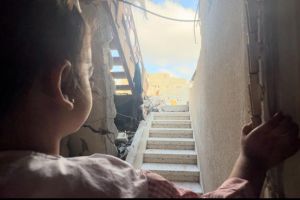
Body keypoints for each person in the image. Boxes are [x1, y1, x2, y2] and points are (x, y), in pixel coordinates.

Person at [0, 0, 299, 198]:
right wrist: (253, 161)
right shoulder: (105, 184)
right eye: (90, 74)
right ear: (64, 86)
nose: (93, 81)